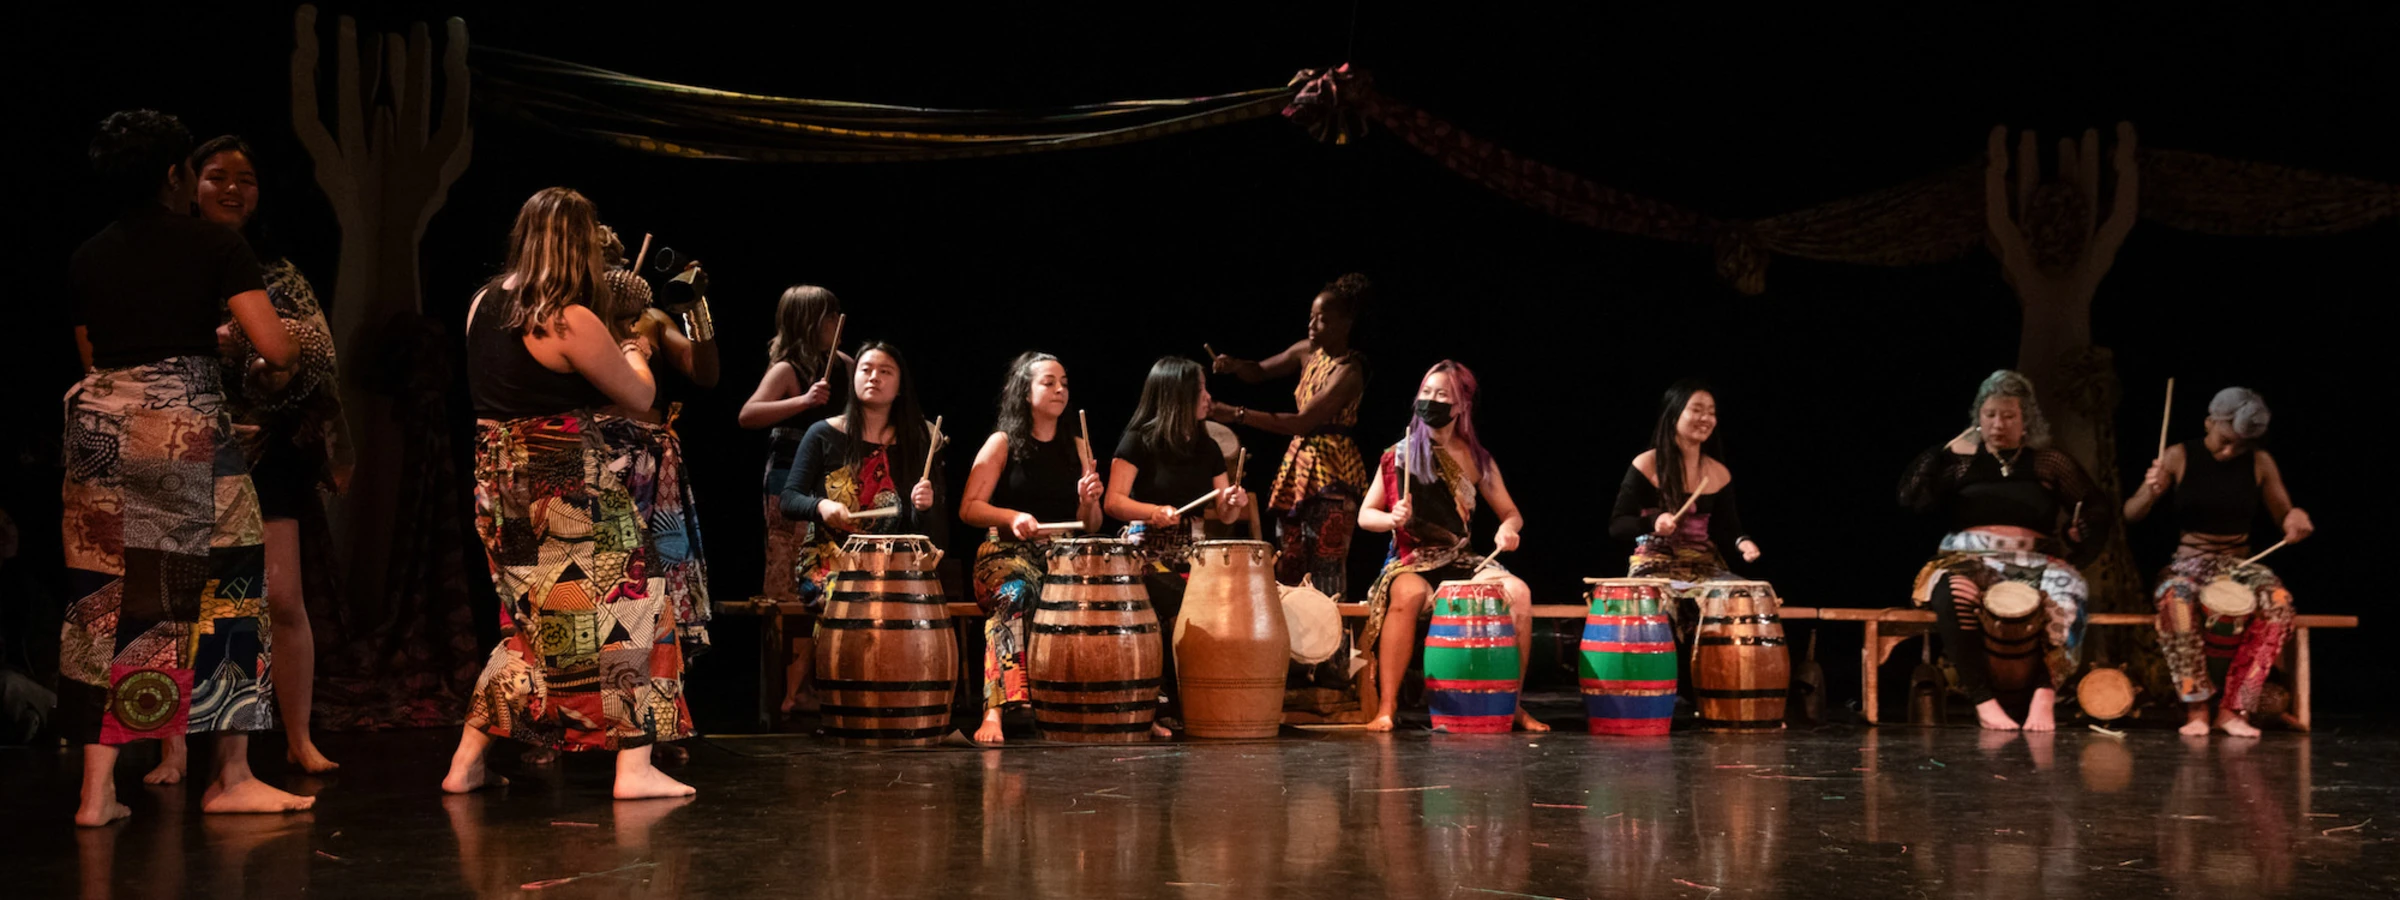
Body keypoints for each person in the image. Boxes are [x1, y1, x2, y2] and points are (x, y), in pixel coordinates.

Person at [61, 110, 310, 824]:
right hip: (183, 434)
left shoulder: (88, 255)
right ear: (175, 175)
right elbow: (276, 346)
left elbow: (91, 353)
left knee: (105, 603)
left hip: (98, 431)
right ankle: (229, 777)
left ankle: (95, 791)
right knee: (226, 590)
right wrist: (267, 347)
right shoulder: (212, 245)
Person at [441, 186, 692, 800]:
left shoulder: (482, 303)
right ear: (580, 242)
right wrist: (634, 348)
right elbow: (638, 398)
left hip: (498, 480)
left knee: (533, 623)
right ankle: (633, 767)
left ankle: (467, 761)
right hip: (562, 476)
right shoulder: (565, 316)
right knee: (635, 606)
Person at [140, 135, 352, 780]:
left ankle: (297, 736)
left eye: (247, 178)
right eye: (217, 175)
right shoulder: (164, 258)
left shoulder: (277, 268)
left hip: (267, 448)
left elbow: (313, 355)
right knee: (175, 598)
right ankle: (171, 746)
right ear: (187, 184)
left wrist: (277, 376)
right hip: (181, 439)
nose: (233, 188)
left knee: (282, 597)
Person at [1898, 370, 2111, 732]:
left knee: (2070, 591)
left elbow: (2095, 508)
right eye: (1990, 414)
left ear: (2026, 419)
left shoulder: (2048, 462)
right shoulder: (1961, 463)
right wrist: (1943, 452)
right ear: (1978, 418)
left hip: (2034, 559)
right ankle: (1984, 701)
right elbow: (1910, 497)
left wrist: (2075, 536)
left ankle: (2045, 696)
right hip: (1968, 558)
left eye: (2009, 415)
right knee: (1953, 591)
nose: (1998, 424)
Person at [1354, 362, 1541, 733]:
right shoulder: (1399, 455)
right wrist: (1392, 519)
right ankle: (1387, 707)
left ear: (1461, 405)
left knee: (1519, 593)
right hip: (1412, 559)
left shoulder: (1476, 458)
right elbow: (1365, 516)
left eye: (1442, 395)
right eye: (1426, 393)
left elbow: (1511, 513)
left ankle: (1512, 703)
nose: (1431, 401)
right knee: (1406, 595)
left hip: (1462, 558)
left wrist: (1508, 530)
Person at [2124, 387, 2313, 736]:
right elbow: (2131, 514)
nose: (2230, 450)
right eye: (2225, 439)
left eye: (2239, 444)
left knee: (2279, 604)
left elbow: (2284, 513)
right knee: (2175, 600)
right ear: (2210, 421)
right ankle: (2196, 708)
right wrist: (2149, 492)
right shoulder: (2179, 455)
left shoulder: (2259, 462)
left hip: (2240, 563)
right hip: (2188, 563)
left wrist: (2294, 518)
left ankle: (2234, 709)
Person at [958, 352, 1104, 744]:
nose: (1060, 389)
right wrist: (1011, 516)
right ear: (1025, 391)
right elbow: (968, 508)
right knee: (1015, 594)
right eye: (1049, 382)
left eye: (1064, 383)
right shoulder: (1002, 442)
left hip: (1060, 557)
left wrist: (1089, 501)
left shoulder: (1077, 445)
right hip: (1004, 555)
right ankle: (994, 712)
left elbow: (1091, 525)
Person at [1103, 357, 1249, 734]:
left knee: (1227, 605)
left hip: (1193, 552)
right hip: (1144, 551)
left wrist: (1232, 504)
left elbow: (1225, 512)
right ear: (1179, 395)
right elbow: (1114, 501)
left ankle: (1213, 699)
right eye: (1201, 389)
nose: (1208, 397)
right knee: (1176, 599)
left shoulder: (1207, 446)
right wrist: (1153, 511)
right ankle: (1161, 704)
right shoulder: (1140, 439)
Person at [1209, 273, 1371, 601]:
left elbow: (1303, 421)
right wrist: (1235, 365)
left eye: (1322, 319)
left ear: (1345, 322)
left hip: (1333, 472)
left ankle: (1330, 649)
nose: (1312, 325)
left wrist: (1236, 414)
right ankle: (1295, 647)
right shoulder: (1307, 351)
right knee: (1290, 561)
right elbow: (1261, 371)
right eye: (1311, 317)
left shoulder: (1349, 370)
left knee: (1325, 567)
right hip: (1300, 466)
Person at [737, 286, 848, 719]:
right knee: (788, 578)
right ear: (809, 321)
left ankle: (806, 684)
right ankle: (785, 688)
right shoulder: (790, 368)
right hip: (791, 477)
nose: (836, 322)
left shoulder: (844, 364)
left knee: (826, 577)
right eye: (828, 315)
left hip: (835, 479)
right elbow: (748, 415)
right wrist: (803, 400)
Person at [778, 341, 948, 604]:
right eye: (866, 370)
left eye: (885, 372)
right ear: (854, 378)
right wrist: (821, 506)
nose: (874, 377)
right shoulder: (822, 433)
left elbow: (927, 532)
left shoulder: (916, 444)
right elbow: (789, 498)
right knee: (859, 596)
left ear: (900, 386)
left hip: (891, 562)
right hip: (830, 560)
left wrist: (922, 508)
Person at [1607, 380, 1764, 664]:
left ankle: (1720, 681)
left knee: (1746, 595)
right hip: (1654, 564)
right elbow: (1618, 525)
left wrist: (1744, 542)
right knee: (1654, 602)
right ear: (1673, 414)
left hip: (1702, 566)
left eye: (1711, 412)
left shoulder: (1718, 473)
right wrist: (1653, 522)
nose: (1706, 418)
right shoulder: (1646, 464)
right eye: (1697, 410)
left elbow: (1729, 528)